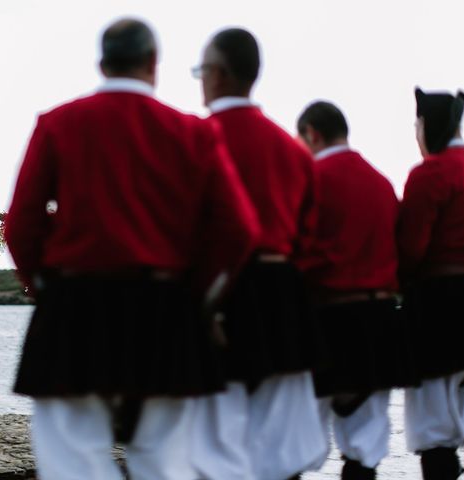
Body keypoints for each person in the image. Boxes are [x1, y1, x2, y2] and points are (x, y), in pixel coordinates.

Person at [4, 18, 259, 480]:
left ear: (102, 63)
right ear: (152, 65)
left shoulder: (58, 123)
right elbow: (238, 229)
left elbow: (20, 225)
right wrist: (197, 296)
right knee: (165, 461)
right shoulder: (192, 132)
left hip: (75, 303)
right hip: (166, 307)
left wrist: (45, 287)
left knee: (71, 458)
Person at [190, 27, 326, 480]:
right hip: (283, 301)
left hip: (215, 292)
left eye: (202, 70)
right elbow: (310, 240)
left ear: (221, 73)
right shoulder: (294, 151)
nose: (200, 79)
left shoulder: (196, 140)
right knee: (279, 448)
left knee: (210, 446)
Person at [296, 101, 417, 479]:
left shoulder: (312, 178)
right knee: (366, 442)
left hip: (324, 318)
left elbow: (297, 249)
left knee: (296, 442)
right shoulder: (381, 183)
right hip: (378, 321)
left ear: (312, 134)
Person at [398, 87, 464, 480]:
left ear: (427, 126)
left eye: (416, 125)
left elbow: (411, 248)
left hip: (440, 310)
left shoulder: (429, 175)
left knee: (435, 429)